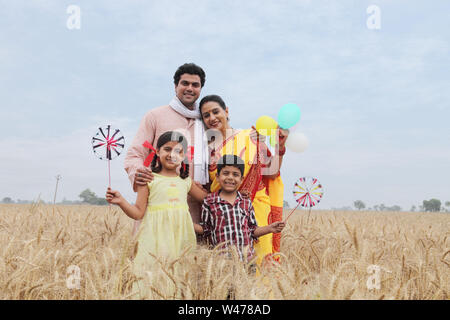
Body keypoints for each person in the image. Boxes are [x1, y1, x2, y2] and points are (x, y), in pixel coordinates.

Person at [107, 131, 207, 298]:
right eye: (167, 149)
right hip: (154, 239)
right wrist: (121, 201)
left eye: (178, 151)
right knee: (151, 277)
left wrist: (234, 194)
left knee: (179, 277)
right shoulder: (148, 179)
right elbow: (138, 213)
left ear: (183, 156)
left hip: (180, 239)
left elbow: (207, 199)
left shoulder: (186, 181)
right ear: (157, 151)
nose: (171, 154)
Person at [199, 94, 288, 267]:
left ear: (226, 111)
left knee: (261, 264)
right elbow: (210, 187)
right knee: (229, 268)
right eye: (206, 115)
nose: (212, 118)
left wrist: (280, 146)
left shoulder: (250, 136)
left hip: (257, 209)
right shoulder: (207, 149)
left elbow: (271, 171)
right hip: (224, 217)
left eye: (215, 111)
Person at [124, 63, 209, 235]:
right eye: (185, 83)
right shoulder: (155, 116)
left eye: (195, 85)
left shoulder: (206, 122)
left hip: (195, 207)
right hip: (158, 204)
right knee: (151, 257)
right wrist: (139, 173)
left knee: (190, 258)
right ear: (176, 86)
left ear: (201, 89)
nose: (190, 88)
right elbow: (135, 154)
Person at [193, 155, 285, 265]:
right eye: (226, 173)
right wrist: (187, 222)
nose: (230, 178)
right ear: (217, 177)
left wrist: (270, 228)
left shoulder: (246, 202)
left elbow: (252, 230)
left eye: (235, 174)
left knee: (248, 282)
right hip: (222, 263)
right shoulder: (210, 202)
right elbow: (206, 229)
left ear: (241, 179)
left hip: (247, 262)